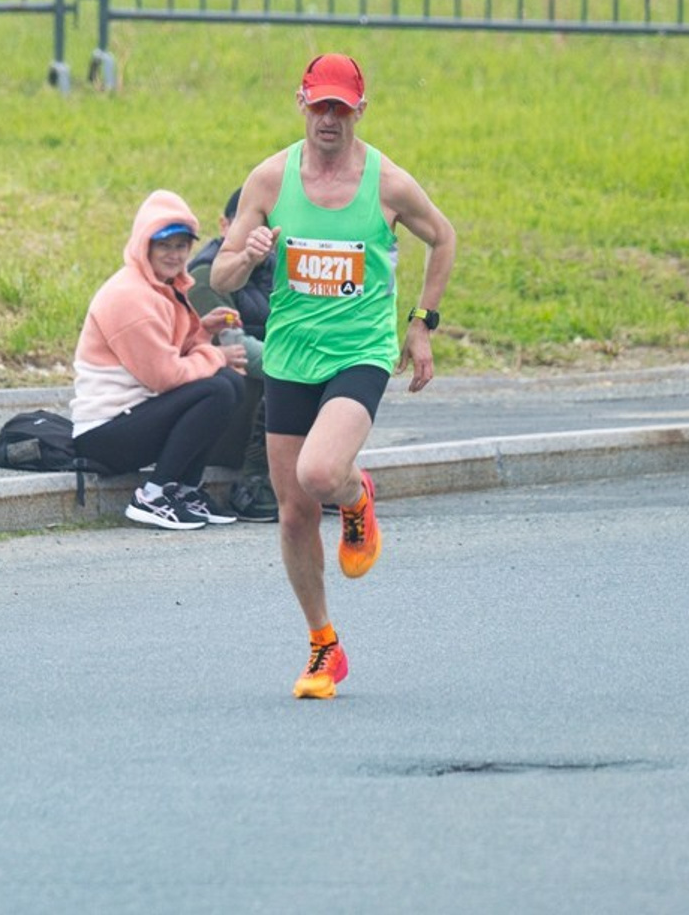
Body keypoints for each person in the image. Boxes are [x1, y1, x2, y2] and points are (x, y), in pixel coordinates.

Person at [211, 53, 456, 698]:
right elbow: (221, 275)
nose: (329, 118)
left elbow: (443, 237)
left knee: (318, 474)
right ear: (302, 102)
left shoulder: (387, 184)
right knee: (293, 513)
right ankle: (324, 645)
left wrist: (421, 323)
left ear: (359, 111)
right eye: (320, 105)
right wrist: (248, 255)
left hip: (360, 352)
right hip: (291, 354)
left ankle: (355, 496)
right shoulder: (270, 179)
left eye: (341, 109)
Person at [71, 188, 247, 531]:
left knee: (228, 383)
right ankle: (152, 497)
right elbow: (166, 376)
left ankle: (185, 490)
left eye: (181, 245)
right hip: (103, 434)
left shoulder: (164, 287)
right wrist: (216, 354)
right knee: (218, 389)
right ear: (145, 245)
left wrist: (203, 332)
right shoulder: (131, 296)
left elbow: (176, 355)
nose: (174, 254)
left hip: (134, 415)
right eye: (164, 245)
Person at [187, 187, 279, 522]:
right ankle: (256, 481)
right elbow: (239, 348)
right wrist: (302, 364)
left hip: (265, 401)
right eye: (244, 227)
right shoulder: (204, 277)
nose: (254, 238)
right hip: (226, 414)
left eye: (263, 229)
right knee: (289, 374)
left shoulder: (277, 271)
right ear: (224, 225)